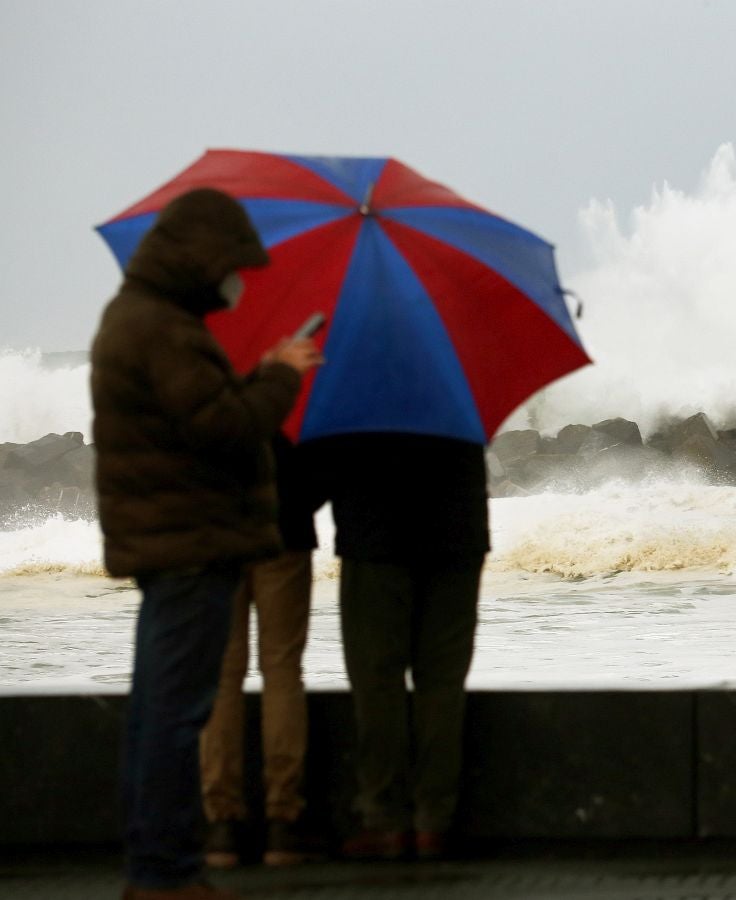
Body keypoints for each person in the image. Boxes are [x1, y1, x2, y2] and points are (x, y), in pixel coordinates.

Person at [92, 188, 322, 899]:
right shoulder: (162, 329)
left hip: (173, 546)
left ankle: (155, 866)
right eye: (232, 268)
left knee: (161, 712)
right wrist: (282, 378)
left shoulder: (139, 319)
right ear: (202, 261)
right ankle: (163, 873)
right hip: (191, 549)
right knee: (174, 717)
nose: (237, 283)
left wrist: (257, 375)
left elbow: (199, 414)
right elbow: (223, 430)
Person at [302, 431, 489, 860]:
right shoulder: (457, 378)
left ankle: (385, 820)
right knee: (441, 683)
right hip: (457, 539)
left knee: (377, 680)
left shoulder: (358, 389)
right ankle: (433, 823)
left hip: (375, 542)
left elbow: (323, 475)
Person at [199, 435, 323, 868]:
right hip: (282, 530)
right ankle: (283, 823)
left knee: (221, 675)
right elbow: (320, 457)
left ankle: (222, 827)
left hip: (215, 534)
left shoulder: (205, 375)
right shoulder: (292, 376)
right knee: (282, 669)